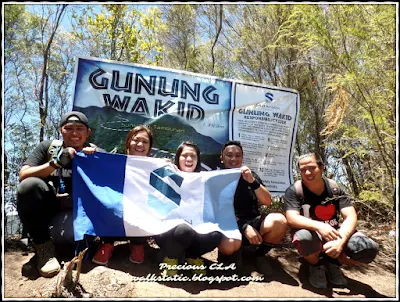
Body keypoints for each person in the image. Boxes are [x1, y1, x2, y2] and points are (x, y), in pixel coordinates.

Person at [17, 111, 99, 278]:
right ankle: (44, 249)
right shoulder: (48, 148)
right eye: (68, 128)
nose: (74, 133)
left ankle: (83, 247)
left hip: (79, 215)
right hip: (50, 212)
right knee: (29, 185)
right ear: (61, 130)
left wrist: (97, 162)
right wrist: (55, 163)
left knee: (70, 246)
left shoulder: (95, 153)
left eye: (79, 128)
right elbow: (23, 175)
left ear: (88, 132)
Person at [283, 153, 380, 289]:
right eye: (303, 170)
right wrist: (319, 226)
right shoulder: (294, 191)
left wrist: (341, 240)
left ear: (321, 167)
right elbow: (292, 218)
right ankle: (315, 265)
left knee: (367, 248)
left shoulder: (335, 189)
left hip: (334, 234)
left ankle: (333, 263)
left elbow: (350, 216)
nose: (308, 172)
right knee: (304, 238)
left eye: (312, 168)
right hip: (311, 234)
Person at [218, 140, 287, 276]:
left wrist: (252, 181)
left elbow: (267, 202)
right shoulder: (216, 179)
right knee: (229, 246)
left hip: (253, 221)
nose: (234, 159)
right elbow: (218, 211)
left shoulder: (250, 176)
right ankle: (234, 254)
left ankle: (257, 255)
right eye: (229, 155)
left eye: (238, 155)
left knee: (279, 221)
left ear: (242, 158)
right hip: (229, 224)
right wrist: (244, 227)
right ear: (222, 158)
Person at [155, 141, 222, 276]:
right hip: (167, 231)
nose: (189, 159)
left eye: (193, 156)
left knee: (215, 234)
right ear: (178, 157)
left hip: (194, 227)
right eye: (185, 155)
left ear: (198, 160)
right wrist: (160, 166)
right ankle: (170, 258)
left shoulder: (204, 180)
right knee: (183, 230)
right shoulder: (167, 174)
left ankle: (191, 256)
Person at [92, 125, 153, 266]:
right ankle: (107, 243)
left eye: (145, 142)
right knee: (107, 201)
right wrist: (90, 155)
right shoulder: (113, 162)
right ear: (128, 143)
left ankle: (138, 243)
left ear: (149, 147)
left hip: (139, 219)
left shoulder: (155, 167)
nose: (140, 144)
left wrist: (167, 168)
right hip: (116, 215)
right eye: (136, 140)